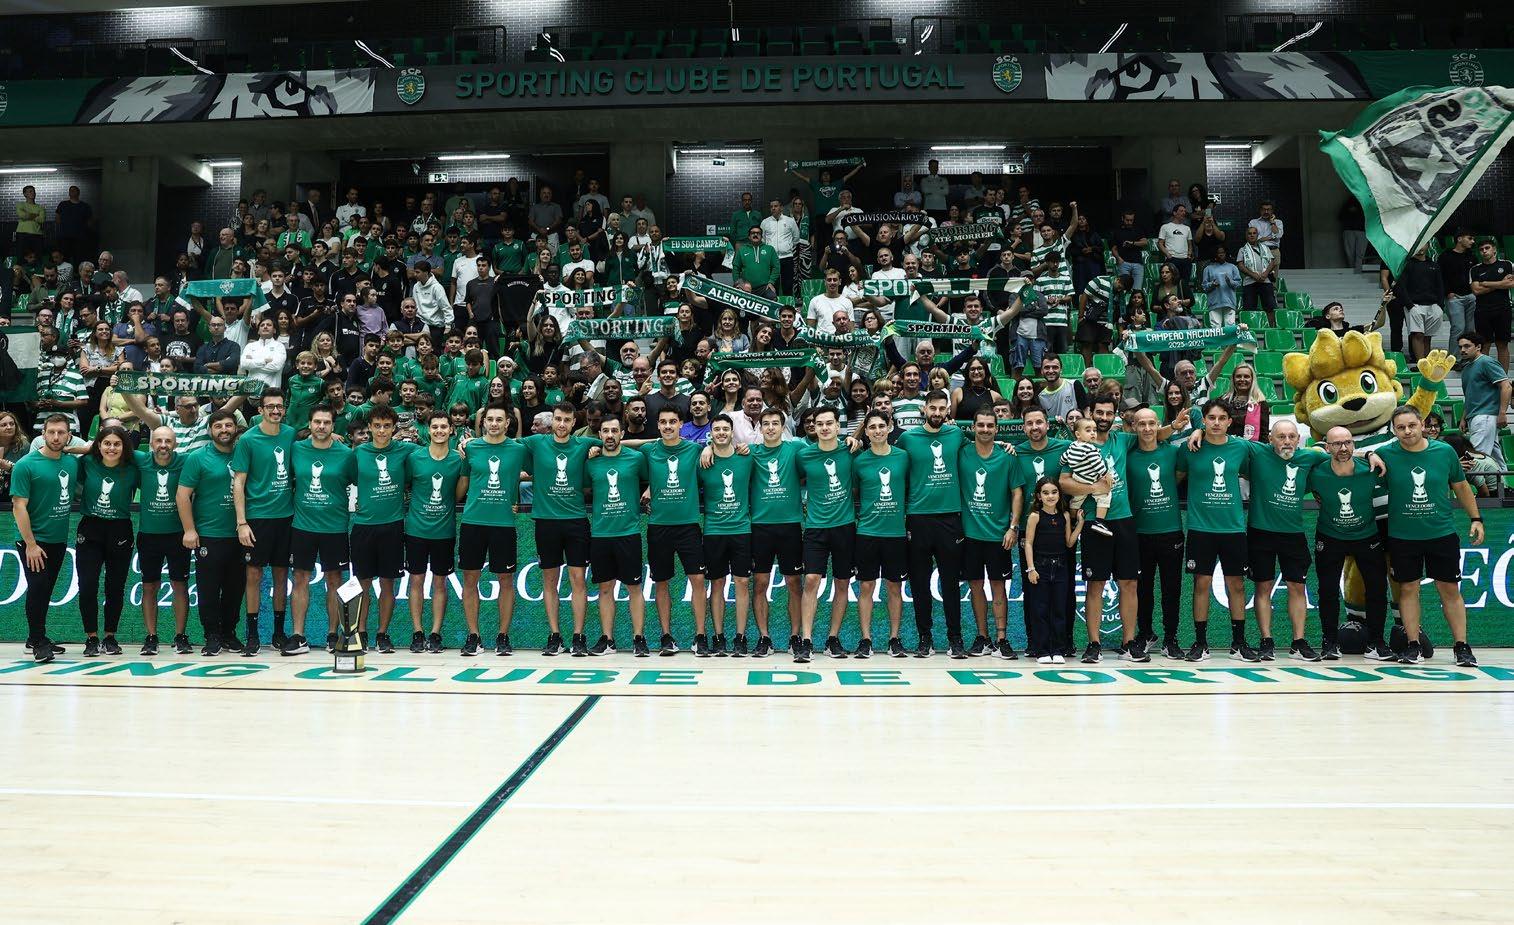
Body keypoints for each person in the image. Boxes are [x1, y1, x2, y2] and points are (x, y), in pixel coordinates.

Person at [1367, 406, 1482, 667]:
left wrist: (1476, 519)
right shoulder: (1386, 453)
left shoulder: (1444, 452)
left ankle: (1462, 647)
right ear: (1394, 431)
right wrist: (1372, 453)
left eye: (1411, 425)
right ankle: (1413, 645)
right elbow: (1359, 456)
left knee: (1449, 589)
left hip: (1441, 533)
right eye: (1401, 428)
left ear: (1422, 425)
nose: (1407, 431)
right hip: (1402, 537)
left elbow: (1461, 486)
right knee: (1408, 589)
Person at [1240, 420, 1330, 661]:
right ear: (1270, 439)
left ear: (1298, 439)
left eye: (1291, 436)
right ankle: (1266, 641)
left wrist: (1370, 454)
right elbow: (1224, 440)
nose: (1287, 441)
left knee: (1297, 587)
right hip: (1261, 532)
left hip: (1293, 534)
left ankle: (1298, 643)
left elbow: (1340, 455)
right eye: (1281, 437)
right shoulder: (1257, 452)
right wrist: (1197, 431)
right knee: (1263, 587)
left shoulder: (1309, 456)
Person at [1177, 400, 1254, 662]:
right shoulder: (1190, 448)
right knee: (1201, 584)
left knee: (1237, 585)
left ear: (1230, 422)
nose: (1217, 422)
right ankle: (1200, 643)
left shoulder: (1241, 448)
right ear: (1204, 420)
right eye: (1211, 418)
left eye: (1222, 418)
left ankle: (1239, 643)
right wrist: (1195, 431)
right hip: (1200, 528)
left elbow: (1257, 469)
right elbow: (1175, 477)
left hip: (1232, 528)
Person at [522, 402, 598, 655]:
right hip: (546, 522)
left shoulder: (584, 444)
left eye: (567, 420)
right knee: (550, 580)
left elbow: (617, 443)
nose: (562, 424)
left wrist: (597, 449)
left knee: (578, 580)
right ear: (552, 421)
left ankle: (578, 636)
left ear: (574, 423)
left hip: (576, 521)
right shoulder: (536, 442)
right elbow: (502, 444)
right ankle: (554, 635)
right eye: (558, 419)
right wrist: (468, 443)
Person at [1308, 426, 1391, 661]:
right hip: (1330, 536)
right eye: (1336, 444)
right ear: (1327, 447)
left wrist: (1369, 454)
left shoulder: (1371, 468)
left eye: (1347, 443)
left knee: (1377, 589)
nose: (1343, 448)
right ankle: (1329, 642)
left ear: (1354, 445)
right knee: (1327, 590)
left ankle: (1376, 643)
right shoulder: (1316, 473)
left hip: (1367, 535)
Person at [897, 390, 967, 657]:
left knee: (950, 583)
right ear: (924, 409)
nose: (937, 413)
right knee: (920, 583)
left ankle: (955, 639)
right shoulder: (908, 438)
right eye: (933, 408)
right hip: (918, 518)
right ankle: (924, 637)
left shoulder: (956, 434)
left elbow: (983, 446)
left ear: (948, 410)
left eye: (942, 408)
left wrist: (1006, 444)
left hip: (950, 518)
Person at [458, 404, 528, 656]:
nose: (494, 423)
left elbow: (544, 467)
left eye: (500, 419)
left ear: (508, 423)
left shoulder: (519, 449)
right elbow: (463, 483)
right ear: (483, 422)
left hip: (503, 524)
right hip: (473, 522)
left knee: (505, 580)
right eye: (490, 419)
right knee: (470, 580)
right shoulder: (471, 448)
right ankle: (473, 636)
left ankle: (503, 636)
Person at [229, 388, 296, 655]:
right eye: (270, 407)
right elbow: (239, 482)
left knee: (281, 575)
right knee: (254, 575)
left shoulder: (290, 434)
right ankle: (253, 635)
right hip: (257, 518)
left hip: (286, 517)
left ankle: (279, 634)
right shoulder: (248, 439)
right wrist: (241, 522)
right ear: (260, 410)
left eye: (279, 406)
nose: (275, 411)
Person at [641, 408, 710, 655]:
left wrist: (709, 447)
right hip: (658, 526)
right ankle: (666, 636)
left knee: (698, 580)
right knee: (661, 582)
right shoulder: (649, 450)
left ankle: (700, 636)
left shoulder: (694, 450)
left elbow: (722, 446)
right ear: (658, 425)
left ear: (682, 424)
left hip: (688, 525)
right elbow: (623, 445)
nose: (668, 426)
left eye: (673, 421)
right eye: (663, 422)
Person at [285, 405, 353, 656]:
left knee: (334, 580)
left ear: (333, 426)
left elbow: (361, 481)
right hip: (302, 526)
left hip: (334, 527)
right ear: (310, 424)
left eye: (326, 422)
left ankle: (333, 635)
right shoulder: (296, 449)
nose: (321, 426)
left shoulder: (347, 454)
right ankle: (298, 636)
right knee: (300, 578)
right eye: (317, 422)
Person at [177, 410, 245, 655]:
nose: (224, 430)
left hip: (240, 534)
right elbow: (182, 495)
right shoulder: (198, 457)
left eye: (228, 425)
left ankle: (229, 633)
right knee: (208, 588)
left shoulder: (244, 453)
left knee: (235, 588)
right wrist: (189, 530)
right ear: (210, 430)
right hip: (209, 534)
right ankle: (212, 635)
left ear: (236, 428)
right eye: (218, 426)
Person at [13, 415, 81, 662]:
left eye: (61, 432)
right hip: (34, 541)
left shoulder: (71, 463)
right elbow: (18, 506)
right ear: (43, 434)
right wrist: (31, 544)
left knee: (46, 590)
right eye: (51, 432)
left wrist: (74, 450)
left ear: (69, 436)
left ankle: (35, 637)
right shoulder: (26, 465)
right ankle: (38, 642)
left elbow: (95, 449)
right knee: (39, 587)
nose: (55, 437)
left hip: (58, 540)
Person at [349, 405, 415, 653]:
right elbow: (347, 478)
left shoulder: (406, 451)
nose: (381, 431)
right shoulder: (358, 453)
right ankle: (360, 632)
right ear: (369, 427)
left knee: (388, 584)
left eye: (387, 426)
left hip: (393, 525)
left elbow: (433, 455)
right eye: (377, 426)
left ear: (394, 428)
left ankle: (382, 634)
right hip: (363, 526)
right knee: (362, 583)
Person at [959, 407, 1023, 658]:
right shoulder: (962, 452)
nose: (985, 429)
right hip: (970, 535)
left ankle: (1001, 639)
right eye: (981, 425)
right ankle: (982, 638)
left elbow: (1017, 493)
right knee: (975, 586)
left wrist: (1013, 527)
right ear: (972, 427)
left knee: (998, 586)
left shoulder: (1007, 456)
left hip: (999, 535)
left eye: (990, 425)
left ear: (997, 429)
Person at [584, 415, 649, 655]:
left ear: (622, 434)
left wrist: (650, 490)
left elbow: (655, 477)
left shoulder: (636, 458)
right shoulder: (591, 462)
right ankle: (607, 640)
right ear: (599, 434)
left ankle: (639, 638)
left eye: (614, 431)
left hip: (628, 532)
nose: (610, 435)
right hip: (601, 534)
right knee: (605, 588)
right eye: (605, 431)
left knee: (634, 587)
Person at [404, 412, 466, 653]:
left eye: (443, 427)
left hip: (444, 531)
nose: (439, 431)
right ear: (428, 430)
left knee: (440, 583)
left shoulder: (458, 460)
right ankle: (417, 632)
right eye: (435, 427)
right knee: (416, 581)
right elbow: (405, 484)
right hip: (416, 530)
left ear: (451, 430)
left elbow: (458, 493)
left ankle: (435, 633)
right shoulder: (415, 458)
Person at [797, 407, 855, 661]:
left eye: (829, 423)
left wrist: (857, 440)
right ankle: (806, 640)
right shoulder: (804, 455)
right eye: (818, 423)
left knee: (842, 583)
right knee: (811, 579)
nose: (823, 427)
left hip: (845, 527)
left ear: (837, 426)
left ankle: (833, 639)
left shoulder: (850, 450)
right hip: (815, 527)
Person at [75, 424, 139, 656]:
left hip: (120, 530)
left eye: (117, 444)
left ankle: (110, 637)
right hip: (90, 528)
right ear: (98, 445)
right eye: (107, 443)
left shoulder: (133, 468)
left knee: (115, 586)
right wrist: (79, 449)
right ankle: (91, 638)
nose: (112, 448)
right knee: (88, 585)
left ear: (124, 446)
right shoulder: (86, 462)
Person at [852, 410, 909, 659]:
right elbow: (854, 493)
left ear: (889, 427)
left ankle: (894, 639)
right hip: (867, 532)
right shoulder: (859, 461)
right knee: (866, 586)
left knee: (894, 587)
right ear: (866, 431)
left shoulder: (903, 457)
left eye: (881, 426)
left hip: (895, 533)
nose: (877, 431)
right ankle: (866, 639)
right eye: (872, 427)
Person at [748, 408, 803, 658]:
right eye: (766, 424)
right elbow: (722, 451)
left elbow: (825, 450)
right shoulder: (751, 452)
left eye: (775, 423)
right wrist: (707, 448)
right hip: (761, 527)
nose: (770, 428)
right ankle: (764, 638)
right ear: (760, 428)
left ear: (783, 427)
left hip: (790, 525)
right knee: (760, 583)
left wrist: (853, 440)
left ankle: (795, 637)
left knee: (794, 583)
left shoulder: (796, 448)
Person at [132, 424, 191, 655]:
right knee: (149, 586)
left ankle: (180, 636)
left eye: (168, 441)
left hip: (178, 535)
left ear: (175, 443)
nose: (163, 445)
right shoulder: (141, 459)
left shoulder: (185, 461)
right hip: (149, 536)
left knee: (180, 585)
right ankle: (151, 637)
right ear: (151, 443)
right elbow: (101, 446)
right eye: (159, 440)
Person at [699, 415, 755, 655]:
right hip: (714, 531)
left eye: (725, 429)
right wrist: (706, 448)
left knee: (742, 582)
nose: (721, 432)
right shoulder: (703, 461)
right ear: (711, 434)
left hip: (741, 530)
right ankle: (719, 636)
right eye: (717, 429)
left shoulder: (746, 457)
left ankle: (740, 637)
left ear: (732, 433)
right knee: (717, 583)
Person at [1023, 476, 1079, 665]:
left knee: (1059, 610)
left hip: (1061, 568)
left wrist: (1080, 523)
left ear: (1059, 494)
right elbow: (1028, 543)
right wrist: (1031, 568)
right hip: (1041, 567)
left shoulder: (1064, 516)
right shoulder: (1035, 516)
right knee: (1040, 610)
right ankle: (1042, 650)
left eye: (1054, 492)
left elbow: (1069, 543)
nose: (1050, 496)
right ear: (1039, 496)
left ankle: (1058, 650)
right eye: (1045, 493)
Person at [1457, 332, 1510, 469]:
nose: (1462, 350)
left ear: (1478, 347)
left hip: (1485, 416)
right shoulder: (1467, 368)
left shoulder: (1486, 362)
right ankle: (1503, 482)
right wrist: (1464, 418)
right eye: (1460, 347)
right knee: (1495, 458)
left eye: (1467, 346)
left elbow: (1506, 386)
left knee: (1476, 458)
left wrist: (1502, 413)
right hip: (1475, 417)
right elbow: (1470, 395)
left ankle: (1476, 485)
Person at [1060, 417, 1112, 538]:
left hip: (1077, 477)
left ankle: (1073, 521)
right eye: (1088, 431)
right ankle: (1099, 522)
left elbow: (1064, 458)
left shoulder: (1073, 445)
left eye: (1094, 430)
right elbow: (1097, 464)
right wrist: (1106, 474)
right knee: (1105, 496)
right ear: (1078, 434)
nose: (1093, 433)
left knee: (1076, 500)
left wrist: (1061, 462)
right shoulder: (1090, 448)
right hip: (1090, 478)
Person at [1469, 239, 1513, 371]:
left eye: (1487, 248)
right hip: (1482, 311)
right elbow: (1476, 290)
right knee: (1483, 345)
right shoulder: (1475, 269)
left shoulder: (1507, 264)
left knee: (1502, 345)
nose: (1484, 251)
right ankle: (1485, 376)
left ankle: (1503, 377)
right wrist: (1501, 283)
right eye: (1481, 249)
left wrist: (1487, 283)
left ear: (1494, 250)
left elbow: (1511, 284)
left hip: (1503, 309)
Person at [1439, 229, 1478, 353]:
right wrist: (1447, 292)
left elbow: (1476, 275)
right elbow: (1439, 276)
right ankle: (1454, 358)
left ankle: (1469, 357)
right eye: (1470, 238)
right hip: (1454, 297)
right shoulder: (1445, 256)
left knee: (1470, 330)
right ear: (1459, 239)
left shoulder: (1472, 256)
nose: (1473, 241)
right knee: (1458, 328)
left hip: (1471, 296)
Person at [1236, 225, 1280, 324]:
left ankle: (1270, 328)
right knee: (1249, 308)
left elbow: (1272, 262)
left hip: (1265, 281)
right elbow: (1240, 265)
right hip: (1249, 282)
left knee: (1270, 307)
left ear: (1257, 235)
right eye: (1249, 233)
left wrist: (1265, 273)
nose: (1252, 235)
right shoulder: (1242, 250)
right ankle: (1251, 329)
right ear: (1246, 236)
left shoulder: (1265, 248)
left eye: (1254, 233)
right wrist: (1253, 275)